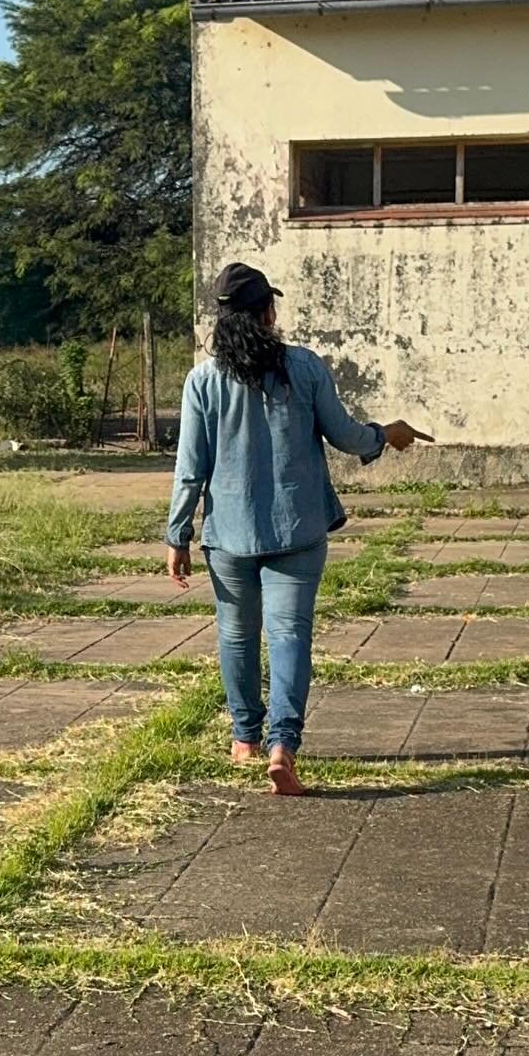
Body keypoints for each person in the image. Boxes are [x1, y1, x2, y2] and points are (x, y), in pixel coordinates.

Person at [166, 262, 431, 794]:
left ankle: (244, 738)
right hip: (298, 528)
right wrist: (386, 434)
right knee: (289, 634)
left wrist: (178, 535)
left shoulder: (203, 381)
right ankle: (282, 745)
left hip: (229, 535)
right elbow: (346, 436)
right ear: (269, 313)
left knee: (236, 634)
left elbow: (190, 468)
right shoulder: (304, 367)